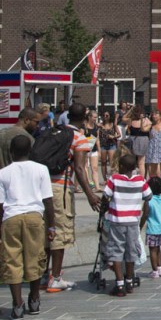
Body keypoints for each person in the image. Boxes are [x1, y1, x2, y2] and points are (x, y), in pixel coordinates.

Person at [0, 134, 54, 320]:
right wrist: (52, 226)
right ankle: (34, 299)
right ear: (30, 151)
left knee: (12, 260)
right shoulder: (41, 169)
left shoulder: (2, 173)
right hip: (35, 216)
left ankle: (17, 304)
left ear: (11, 152)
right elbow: (48, 200)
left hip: (11, 217)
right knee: (35, 258)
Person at [46, 103, 100, 293]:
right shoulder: (79, 137)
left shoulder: (54, 131)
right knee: (60, 232)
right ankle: (56, 277)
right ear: (85, 117)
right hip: (60, 189)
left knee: (47, 230)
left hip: (43, 186)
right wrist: (90, 194)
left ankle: (45, 273)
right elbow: (79, 168)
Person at [102, 153, 150, 297]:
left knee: (116, 251)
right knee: (131, 251)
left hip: (117, 221)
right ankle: (129, 281)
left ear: (122, 167)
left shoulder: (114, 179)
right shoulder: (140, 180)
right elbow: (148, 196)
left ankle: (119, 284)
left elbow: (106, 195)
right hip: (133, 221)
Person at [141, 176, 161, 278]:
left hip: (152, 229)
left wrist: (139, 227)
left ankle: (154, 271)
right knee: (158, 248)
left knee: (152, 250)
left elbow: (145, 215)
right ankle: (160, 268)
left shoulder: (148, 201)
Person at [123, 105, 151, 175]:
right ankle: (141, 179)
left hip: (133, 140)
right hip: (143, 140)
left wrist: (130, 110)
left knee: (132, 161)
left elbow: (123, 118)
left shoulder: (130, 120)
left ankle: (132, 177)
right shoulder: (146, 120)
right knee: (141, 162)